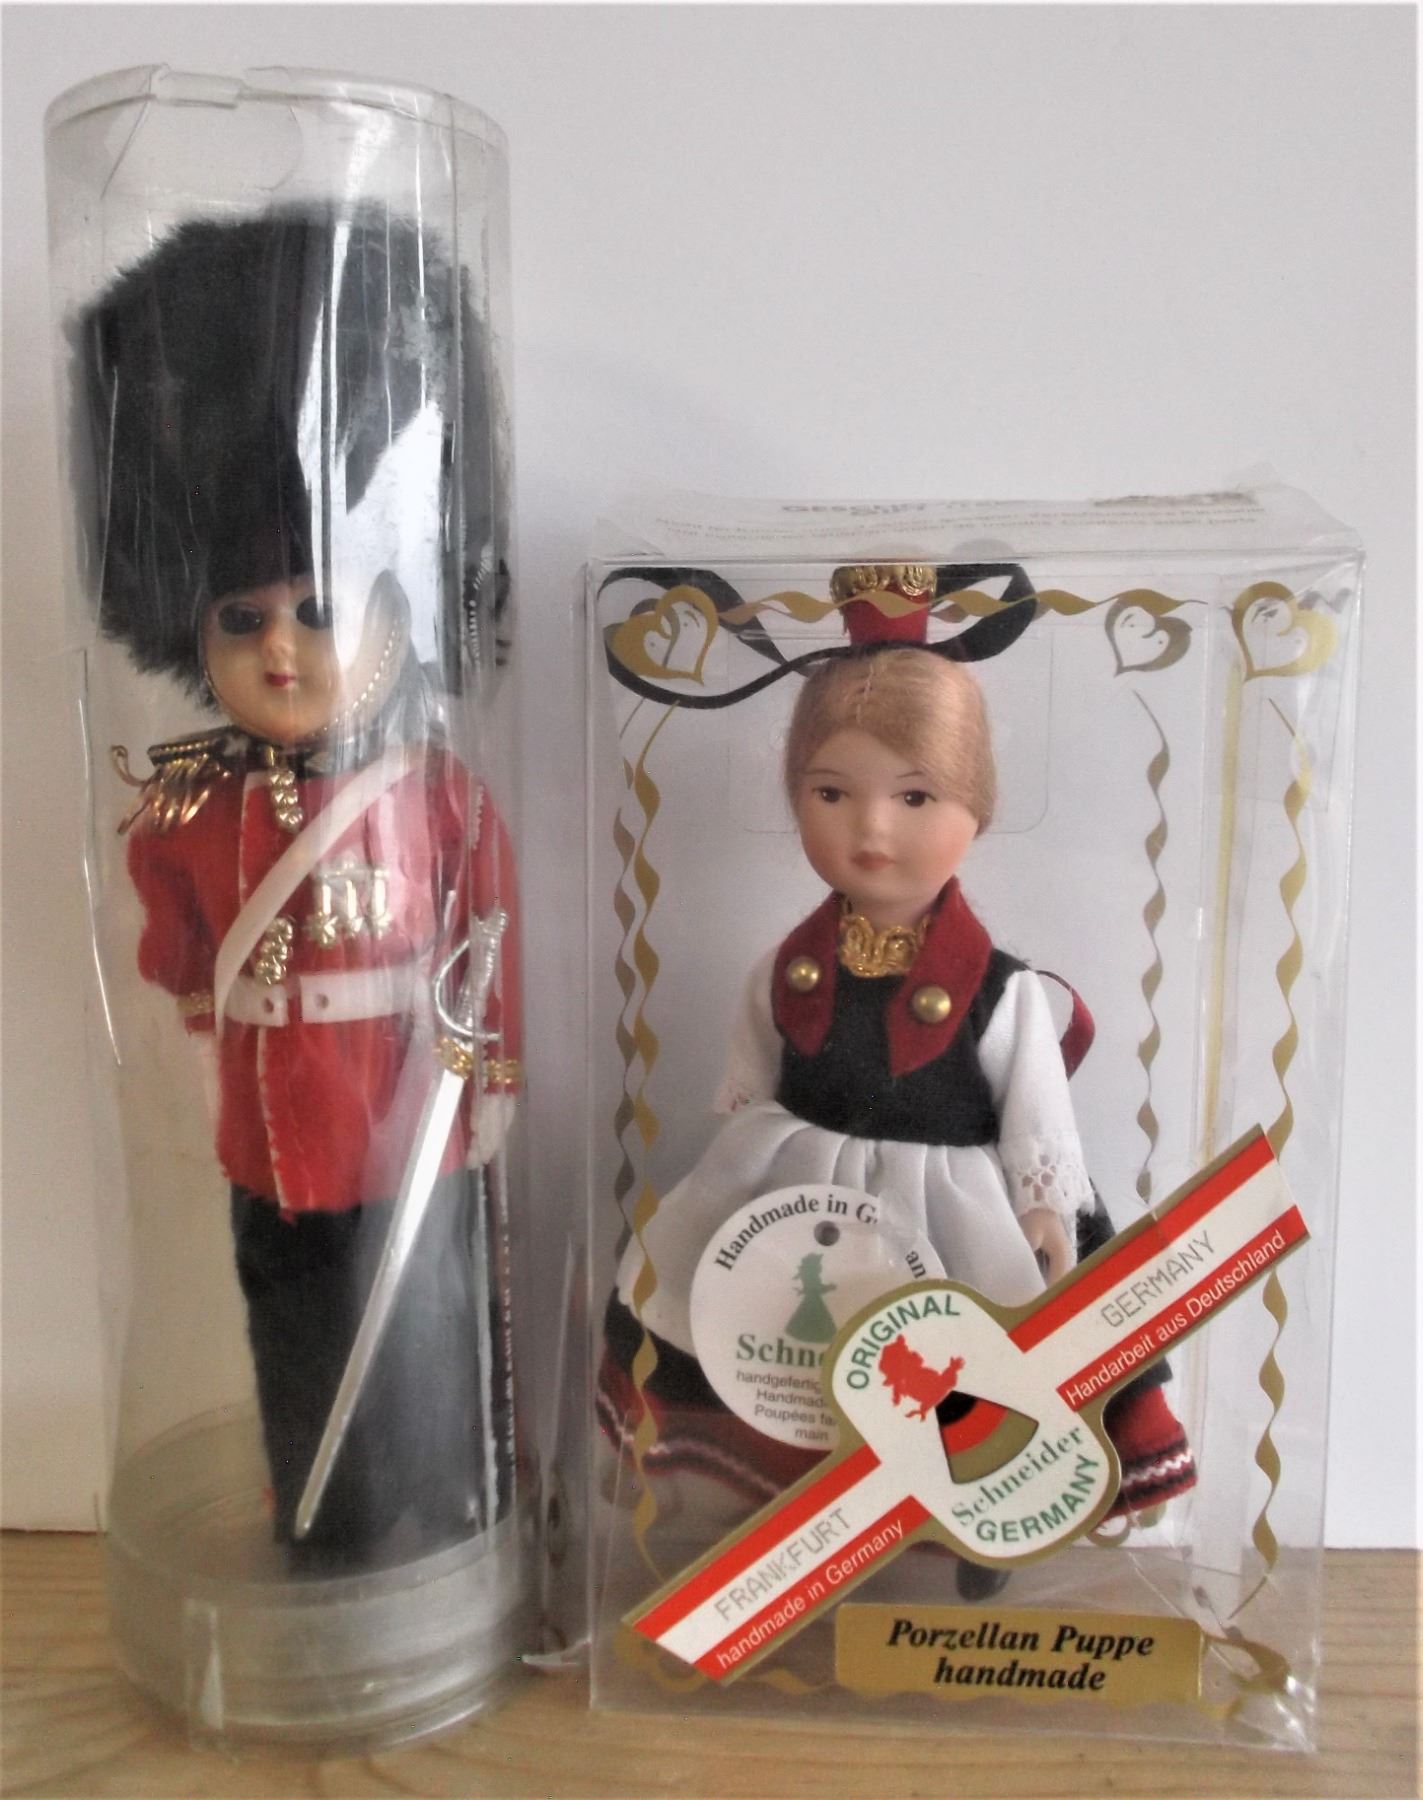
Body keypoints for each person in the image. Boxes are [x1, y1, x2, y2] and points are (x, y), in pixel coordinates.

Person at [598, 566, 1193, 1587]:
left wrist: (1044, 1206)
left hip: (953, 1211)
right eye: (831, 794)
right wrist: (724, 1186)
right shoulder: (783, 968)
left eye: (914, 797)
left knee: (967, 1380)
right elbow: (751, 1088)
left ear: (975, 807)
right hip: (799, 1198)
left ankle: (979, 1526)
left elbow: (1037, 1115)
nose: (871, 831)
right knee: (774, 1359)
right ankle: (777, 1519)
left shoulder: (1002, 991)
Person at [76, 206, 520, 1571]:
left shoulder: (432, 793)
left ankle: (446, 1502)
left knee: (428, 1327)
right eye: (243, 619)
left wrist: (487, 1079)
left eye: (319, 610)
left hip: (406, 1112)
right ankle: (322, 1523)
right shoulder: (195, 806)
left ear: (395, 614)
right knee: (294, 1327)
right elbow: (177, 940)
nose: (280, 651)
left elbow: (487, 936)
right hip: (269, 1135)